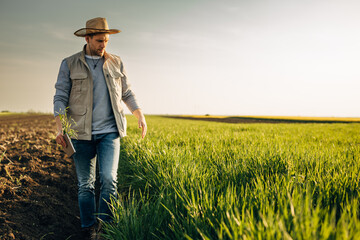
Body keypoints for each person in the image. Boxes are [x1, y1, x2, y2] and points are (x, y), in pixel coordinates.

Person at [53, 17, 147, 239]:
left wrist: (139, 114)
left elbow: (126, 93)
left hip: (109, 132)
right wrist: (59, 128)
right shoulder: (69, 63)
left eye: (106, 40)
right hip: (79, 133)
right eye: (98, 41)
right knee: (86, 184)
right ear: (87, 38)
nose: (103, 45)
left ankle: (105, 229)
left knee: (109, 179)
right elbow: (60, 97)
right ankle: (88, 228)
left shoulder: (116, 62)